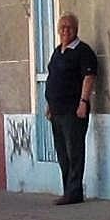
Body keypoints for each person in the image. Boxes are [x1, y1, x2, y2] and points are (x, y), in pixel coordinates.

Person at [44, 13, 97, 206]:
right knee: (62, 152)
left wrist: (83, 102)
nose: (65, 30)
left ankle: (74, 192)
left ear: (76, 29)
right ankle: (68, 189)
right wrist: (49, 104)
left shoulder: (83, 51)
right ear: (58, 30)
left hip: (73, 111)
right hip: (56, 111)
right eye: (62, 27)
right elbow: (53, 79)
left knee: (74, 151)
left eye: (70, 27)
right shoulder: (58, 52)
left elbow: (89, 77)